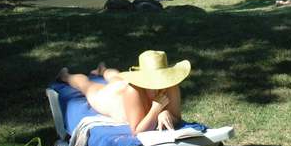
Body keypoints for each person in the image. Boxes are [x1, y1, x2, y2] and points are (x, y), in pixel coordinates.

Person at [57, 50, 191, 135]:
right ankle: (65, 76)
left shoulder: (171, 85)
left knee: (117, 78)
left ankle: (103, 70)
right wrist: (156, 110)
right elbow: (137, 130)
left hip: (122, 88)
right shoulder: (133, 91)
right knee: (88, 86)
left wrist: (166, 113)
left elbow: (176, 118)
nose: (159, 84)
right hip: (113, 100)